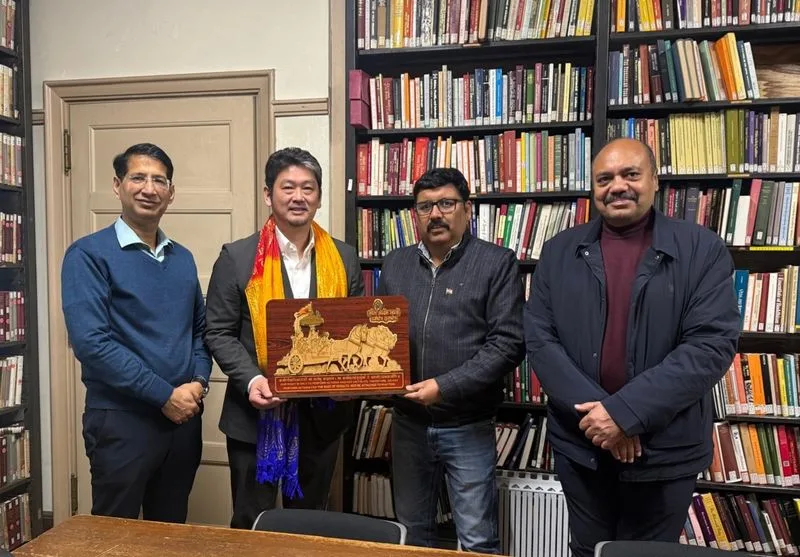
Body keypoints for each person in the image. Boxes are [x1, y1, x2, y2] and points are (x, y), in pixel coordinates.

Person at [524, 137, 740, 557]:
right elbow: (540, 340)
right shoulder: (559, 251)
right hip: (582, 447)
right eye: (604, 178)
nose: (617, 186)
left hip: (664, 453)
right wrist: (603, 421)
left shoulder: (702, 250)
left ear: (655, 181)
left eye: (631, 174)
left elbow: (710, 345)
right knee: (587, 551)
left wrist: (624, 415)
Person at [204, 147, 364, 529]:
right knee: (250, 521)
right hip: (255, 416)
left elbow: (353, 329)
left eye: (308, 188)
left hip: (323, 418)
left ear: (319, 197)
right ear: (268, 194)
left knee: (308, 524)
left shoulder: (344, 257)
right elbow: (219, 332)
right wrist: (252, 379)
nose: (298, 197)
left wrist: (351, 380)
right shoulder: (237, 258)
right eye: (287, 187)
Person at [376, 167, 525, 553]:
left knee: (476, 537)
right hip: (408, 423)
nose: (436, 214)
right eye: (425, 207)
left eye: (446, 203)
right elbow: (378, 336)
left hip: (467, 424)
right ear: (415, 214)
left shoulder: (496, 262)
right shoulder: (395, 264)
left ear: (467, 209)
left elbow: (508, 344)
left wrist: (445, 387)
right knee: (412, 535)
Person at [61, 142, 211, 522]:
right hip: (122, 423)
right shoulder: (88, 255)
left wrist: (198, 382)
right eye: (138, 178)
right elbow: (92, 344)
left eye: (159, 180)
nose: (149, 188)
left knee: (170, 532)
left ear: (171, 193)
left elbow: (199, 330)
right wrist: (164, 395)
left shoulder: (183, 258)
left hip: (182, 422)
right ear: (118, 185)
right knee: (115, 536)